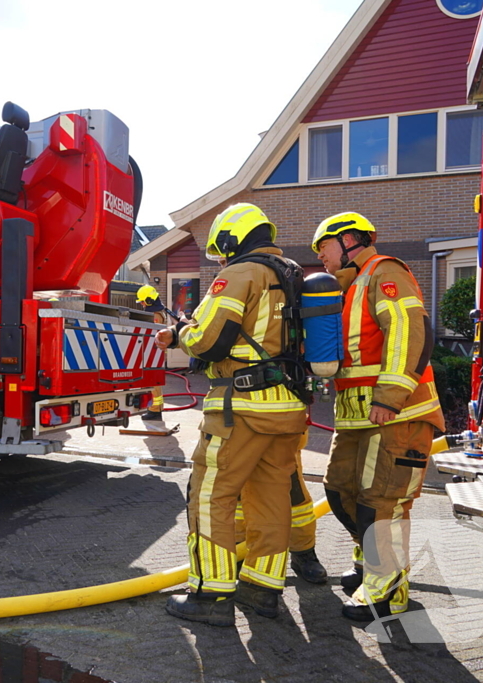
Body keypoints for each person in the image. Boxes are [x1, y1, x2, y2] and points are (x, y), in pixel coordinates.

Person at [155, 203, 308, 626]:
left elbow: (208, 340)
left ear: (230, 239)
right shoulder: (292, 273)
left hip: (241, 409)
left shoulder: (241, 273)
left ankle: (211, 596)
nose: (220, 259)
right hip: (288, 407)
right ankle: (263, 591)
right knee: (272, 498)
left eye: (220, 250)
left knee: (210, 495)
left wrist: (182, 333)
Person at [311, 212, 444, 621]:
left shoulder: (384, 272)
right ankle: (371, 565)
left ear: (349, 240)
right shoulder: (347, 288)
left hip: (396, 414)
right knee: (338, 490)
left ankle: (388, 591)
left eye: (324, 248)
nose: (321, 259)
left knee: (380, 502)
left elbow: (408, 331)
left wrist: (389, 396)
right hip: (357, 418)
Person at [235, 431, 328, 586]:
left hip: (285, 431)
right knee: (239, 500)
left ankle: (303, 553)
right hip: (238, 432)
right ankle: (239, 554)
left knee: (296, 502)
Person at [136, 285, 167, 421]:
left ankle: (154, 410)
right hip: (154, 352)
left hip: (152, 353)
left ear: (149, 300)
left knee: (152, 382)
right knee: (153, 382)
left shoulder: (155, 315)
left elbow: (151, 334)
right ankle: (155, 409)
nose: (142, 304)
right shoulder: (159, 311)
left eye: (143, 301)